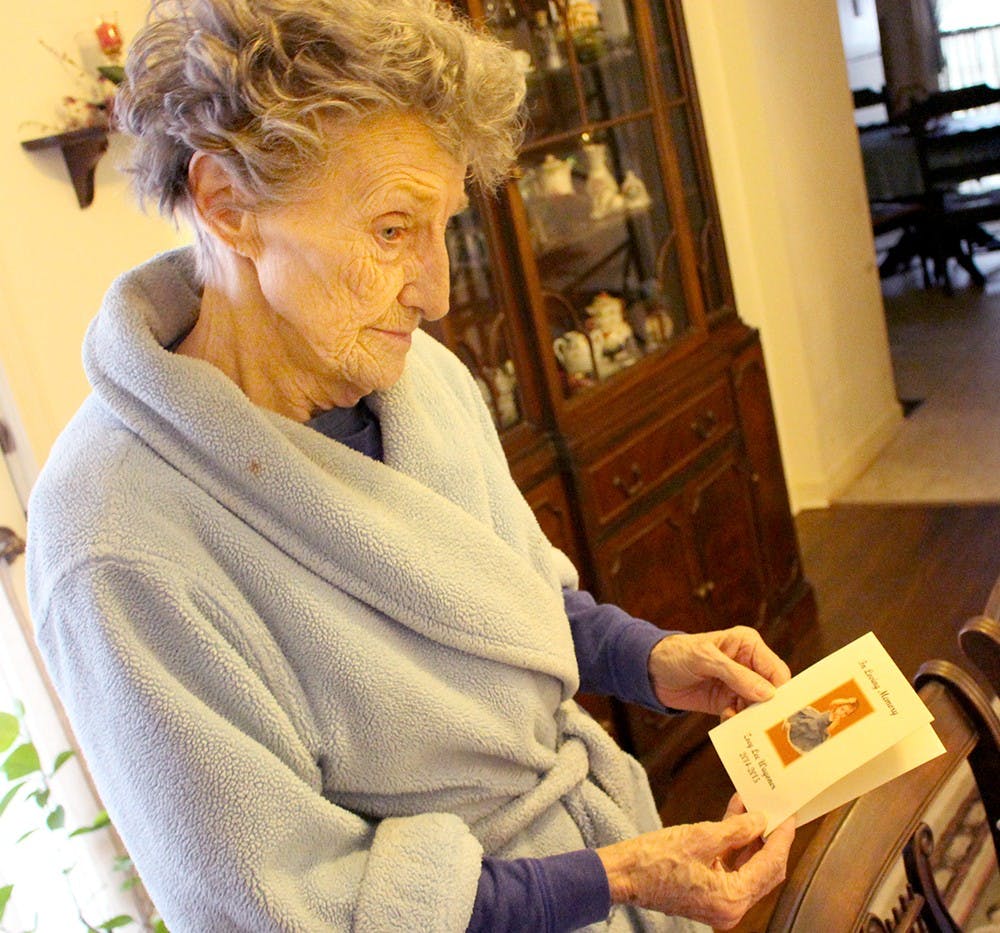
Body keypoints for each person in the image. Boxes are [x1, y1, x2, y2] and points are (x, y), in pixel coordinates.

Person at [25, 1, 795, 930]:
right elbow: (289, 907)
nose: (433, 293)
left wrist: (653, 658)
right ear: (230, 205)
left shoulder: (412, 376)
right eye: (393, 230)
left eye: (444, 227)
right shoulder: (113, 542)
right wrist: (615, 877)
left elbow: (510, 602)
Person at [784, 698, 860, 754]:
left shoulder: (836, 720)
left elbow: (828, 730)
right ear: (838, 707)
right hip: (813, 720)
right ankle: (791, 726)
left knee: (806, 732)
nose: (842, 713)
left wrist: (830, 726)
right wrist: (848, 701)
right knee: (803, 723)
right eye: (842, 709)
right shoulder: (832, 709)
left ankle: (791, 728)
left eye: (845, 713)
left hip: (816, 730)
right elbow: (834, 701)